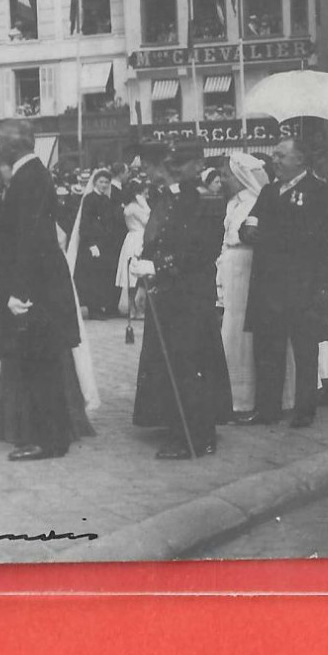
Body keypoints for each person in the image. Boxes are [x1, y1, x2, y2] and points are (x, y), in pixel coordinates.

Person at [0, 121, 91, 461]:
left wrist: (19, 291)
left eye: (2, 142)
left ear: (12, 146)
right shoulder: (33, 174)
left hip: (35, 288)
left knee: (40, 362)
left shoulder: (28, 177)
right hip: (40, 284)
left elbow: (30, 238)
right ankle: (48, 435)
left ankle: (48, 439)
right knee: (41, 361)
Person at [132, 141, 233, 458]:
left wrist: (160, 267)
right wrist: (148, 269)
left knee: (192, 364)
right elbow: (162, 238)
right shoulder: (174, 197)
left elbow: (202, 251)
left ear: (197, 165)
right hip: (170, 294)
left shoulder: (207, 198)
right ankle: (181, 430)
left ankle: (199, 437)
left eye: (183, 163)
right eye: (174, 163)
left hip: (191, 294)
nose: (175, 169)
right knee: (174, 364)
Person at [242, 137, 328, 429]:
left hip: (303, 287)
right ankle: (267, 409)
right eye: (274, 155)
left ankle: (305, 410)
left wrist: (325, 287)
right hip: (268, 287)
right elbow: (249, 223)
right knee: (267, 350)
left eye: (281, 156)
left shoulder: (322, 193)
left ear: (300, 160)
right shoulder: (268, 191)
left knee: (304, 350)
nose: (274, 160)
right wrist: (248, 229)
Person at [216, 152, 269, 421]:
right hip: (231, 266)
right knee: (231, 326)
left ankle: (245, 398)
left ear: (239, 176)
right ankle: (230, 397)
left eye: (226, 174)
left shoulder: (254, 202)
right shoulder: (233, 203)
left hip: (246, 267)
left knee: (242, 330)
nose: (222, 179)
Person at [73, 169, 125, 318]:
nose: (104, 185)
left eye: (106, 182)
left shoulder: (107, 199)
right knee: (92, 277)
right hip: (93, 243)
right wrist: (91, 243)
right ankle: (94, 309)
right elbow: (86, 222)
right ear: (95, 182)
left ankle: (107, 306)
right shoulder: (89, 199)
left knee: (104, 276)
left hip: (106, 243)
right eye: (101, 182)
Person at [116, 180, 151, 319]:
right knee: (136, 276)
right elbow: (147, 221)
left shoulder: (128, 207)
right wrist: (145, 206)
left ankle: (133, 308)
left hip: (130, 238)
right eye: (145, 193)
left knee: (131, 277)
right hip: (138, 238)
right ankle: (136, 308)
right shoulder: (136, 208)